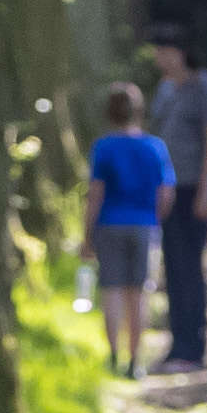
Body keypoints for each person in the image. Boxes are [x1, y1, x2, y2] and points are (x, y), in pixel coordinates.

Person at [142, 27, 207, 369]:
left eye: (166, 51)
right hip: (167, 189)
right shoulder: (164, 89)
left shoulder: (202, 85)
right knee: (172, 267)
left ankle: (193, 347)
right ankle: (177, 344)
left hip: (192, 187)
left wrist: (206, 190)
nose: (161, 58)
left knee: (190, 267)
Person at [82, 84, 175, 375]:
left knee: (112, 291)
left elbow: (95, 193)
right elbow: (166, 193)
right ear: (138, 111)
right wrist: (155, 220)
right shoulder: (154, 147)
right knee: (138, 294)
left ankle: (113, 356)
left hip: (109, 224)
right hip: (144, 226)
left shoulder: (103, 147)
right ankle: (135, 361)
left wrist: (87, 234)